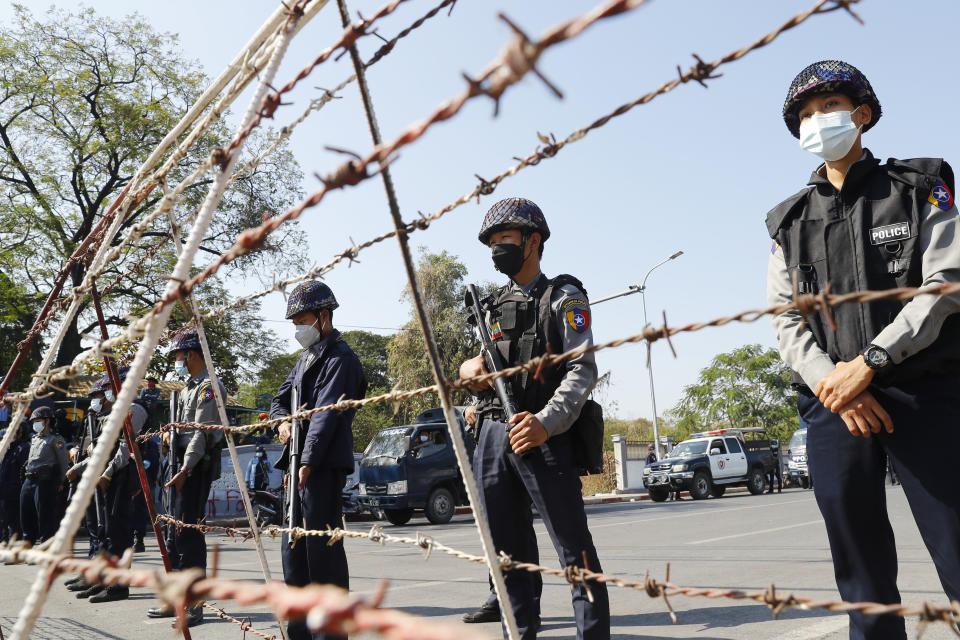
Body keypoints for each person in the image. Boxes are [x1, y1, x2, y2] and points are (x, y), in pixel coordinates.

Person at [766, 60, 960, 640]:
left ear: (862, 114)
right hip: (834, 408)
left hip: (921, 388)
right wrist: (836, 385)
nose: (816, 120)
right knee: (861, 572)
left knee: (955, 545)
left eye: (827, 107)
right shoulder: (788, 222)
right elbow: (785, 319)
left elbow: (946, 283)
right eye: (804, 113)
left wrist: (870, 363)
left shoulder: (921, 184)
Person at [461, 197, 610, 639]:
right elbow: (482, 366)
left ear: (533, 241)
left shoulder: (563, 297)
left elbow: (582, 369)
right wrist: (470, 374)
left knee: (574, 552)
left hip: (544, 435)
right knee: (506, 556)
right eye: (491, 242)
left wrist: (546, 421)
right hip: (491, 437)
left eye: (504, 238)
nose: (496, 248)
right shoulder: (490, 307)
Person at [270, 281, 367, 640]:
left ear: (324, 316)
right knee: (293, 553)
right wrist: (282, 422)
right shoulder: (305, 359)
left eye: (302, 320)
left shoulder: (341, 359)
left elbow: (325, 417)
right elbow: (279, 400)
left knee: (320, 554)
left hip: (321, 468)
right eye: (294, 322)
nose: (298, 329)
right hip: (296, 466)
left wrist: (306, 463)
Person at [146, 329, 226, 627]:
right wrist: (168, 434)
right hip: (176, 463)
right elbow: (180, 428)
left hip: (193, 468)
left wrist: (185, 469)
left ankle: (194, 603)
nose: (176, 361)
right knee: (171, 535)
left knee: (188, 535)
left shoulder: (209, 386)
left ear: (190, 354)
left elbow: (202, 433)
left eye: (178, 355)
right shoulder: (184, 388)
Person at [65, 368, 147, 602]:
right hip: (109, 479)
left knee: (120, 533)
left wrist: (108, 473)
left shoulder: (134, 409)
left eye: (110, 386)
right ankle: (106, 581)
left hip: (121, 477)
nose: (107, 392)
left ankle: (119, 585)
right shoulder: (115, 412)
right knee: (108, 531)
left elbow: (124, 448)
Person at [20, 407, 69, 544]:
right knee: (25, 512)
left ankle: (45, 545)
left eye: (38, 420)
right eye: (34, 421)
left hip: (45, 480)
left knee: (45, 515)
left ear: (47, 421)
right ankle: (27, 544)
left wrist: (61, 481)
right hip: (29, 479)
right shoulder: (34, 438)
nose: (35, 423)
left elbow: (64, 462)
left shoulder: (56, 439)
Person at [0, 422, 30, 543]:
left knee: (14, 523)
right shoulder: (5, 449)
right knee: (2, 522)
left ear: (19, 434)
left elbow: (25, 470)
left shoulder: (24, 448)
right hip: (3, 491)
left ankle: (13, 547)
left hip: (14, 492)